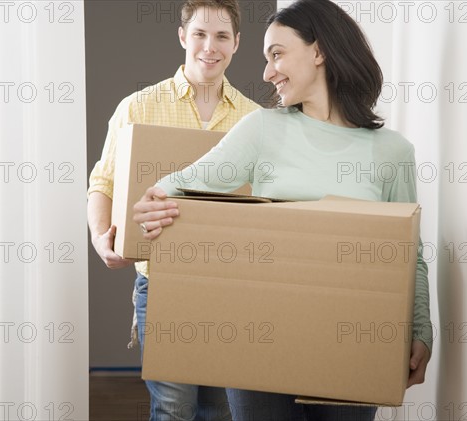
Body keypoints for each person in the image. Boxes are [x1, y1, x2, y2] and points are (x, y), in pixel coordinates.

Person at [132, 0, 432, 420]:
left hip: (351, 341)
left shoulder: (392, 151)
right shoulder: (263, 130)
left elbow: (409, 252)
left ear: (319, 51)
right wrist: (153, 204)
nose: (266, 72)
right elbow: (182, 182)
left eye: (276, 54)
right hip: (260, 336)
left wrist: (421, 329)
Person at [87, 0, 261, 419]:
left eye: (221, 36)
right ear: (183, 36)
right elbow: (103, 183)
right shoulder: (138, 108)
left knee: (220, 408)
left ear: (237, 43)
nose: (210, 46)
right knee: (172, 409)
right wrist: (100, 238)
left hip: (228, 287)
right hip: (162, 284)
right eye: (200, 34)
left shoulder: (255, 120)